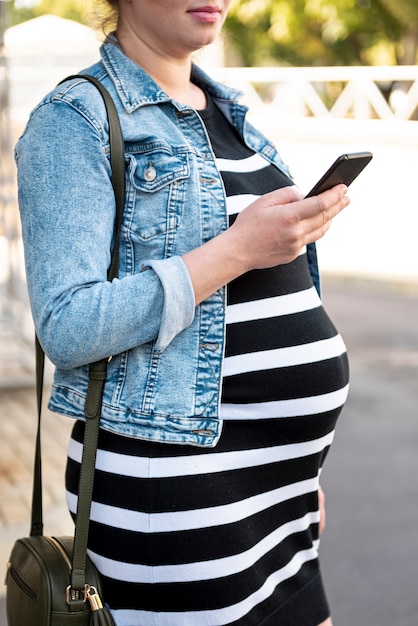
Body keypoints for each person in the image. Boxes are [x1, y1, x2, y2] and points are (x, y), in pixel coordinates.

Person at [16, 1, 350, 625]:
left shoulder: (231, 111)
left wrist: (297, 470)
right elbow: (66, 323)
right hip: (178, 506)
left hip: (283, 497)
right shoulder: (75, 121)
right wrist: (237, 248)